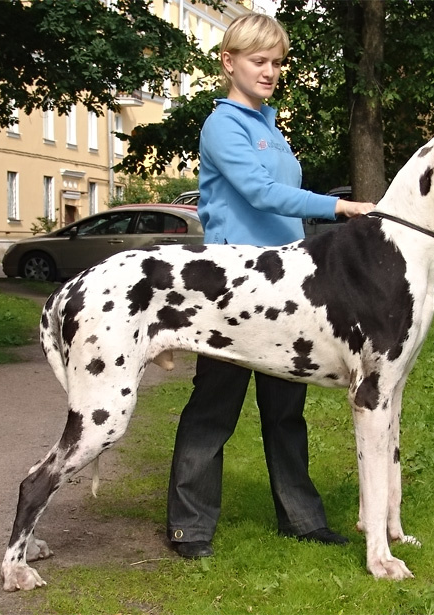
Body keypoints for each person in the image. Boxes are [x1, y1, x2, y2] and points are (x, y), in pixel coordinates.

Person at [167, 12, 375, 559]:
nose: (270, 71)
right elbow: (260, 195)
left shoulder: (270, 127)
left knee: (286, 409)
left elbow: (277, 197)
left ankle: (302, 521)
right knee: (215, 406)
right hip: (231, 289)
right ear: (228, 61)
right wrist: (340, 205)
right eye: (259, 61)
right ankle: (190, 527)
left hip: (286, 286)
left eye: (277, 62)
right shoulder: (224, 125)